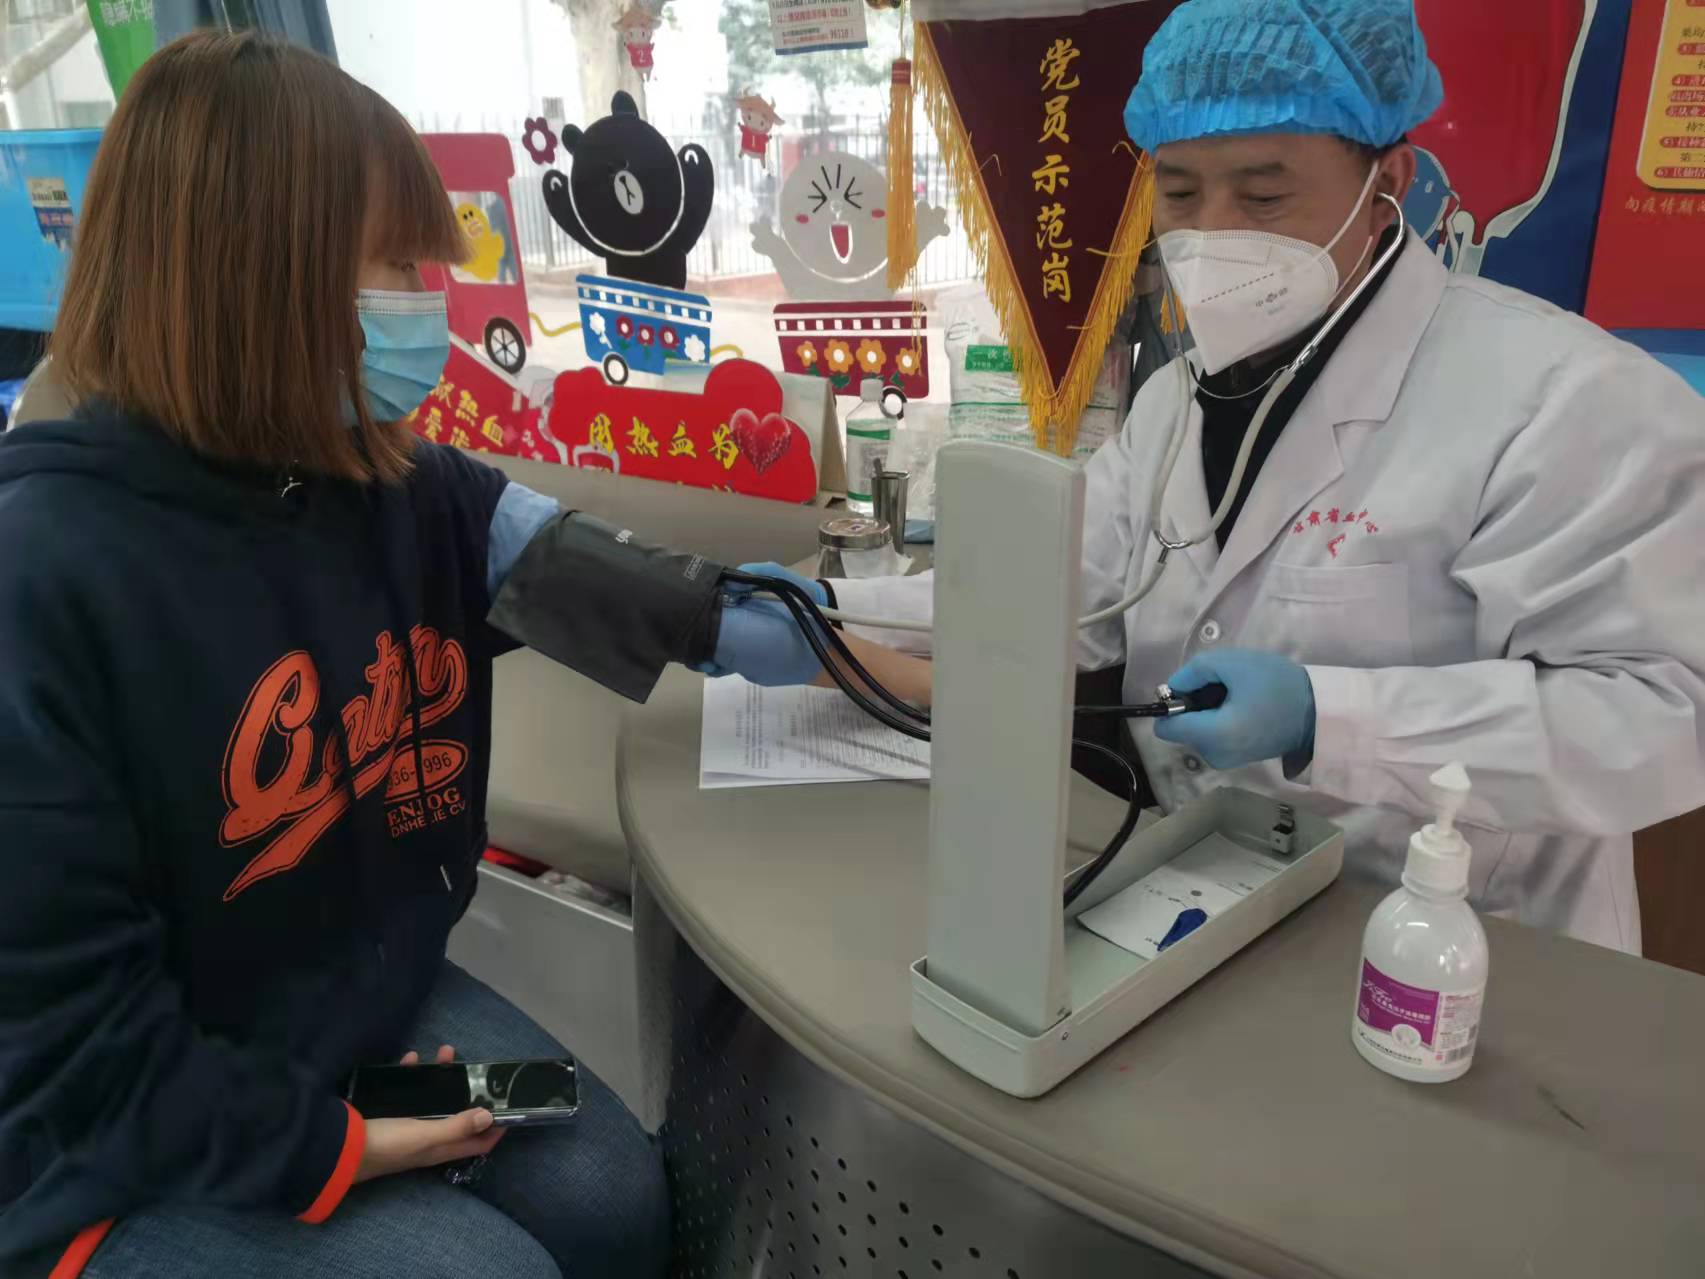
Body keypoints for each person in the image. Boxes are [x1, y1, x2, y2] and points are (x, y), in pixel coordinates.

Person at [710, 0, 1705, 955]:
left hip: (1469, 948)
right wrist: (827, 610)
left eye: (1262, 195)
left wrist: (1328, 716)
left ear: (1388, 184)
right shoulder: (1176, 402)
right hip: (1205, 899)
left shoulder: (1565, 400)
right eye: (1180, 193)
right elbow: (1062, 593)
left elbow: (1660, 719)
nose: (1212, 233)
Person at [0, 33, 743, 1278]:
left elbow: (661, 598)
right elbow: (62, 1046)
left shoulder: (388, 481)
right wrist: (328, 1146)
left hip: (337, 1005)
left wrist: (878, 645)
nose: (425, 302)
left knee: (617, 1196)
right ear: (253, 270)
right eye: (398, 264)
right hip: (106, 1140)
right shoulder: (44, 578)